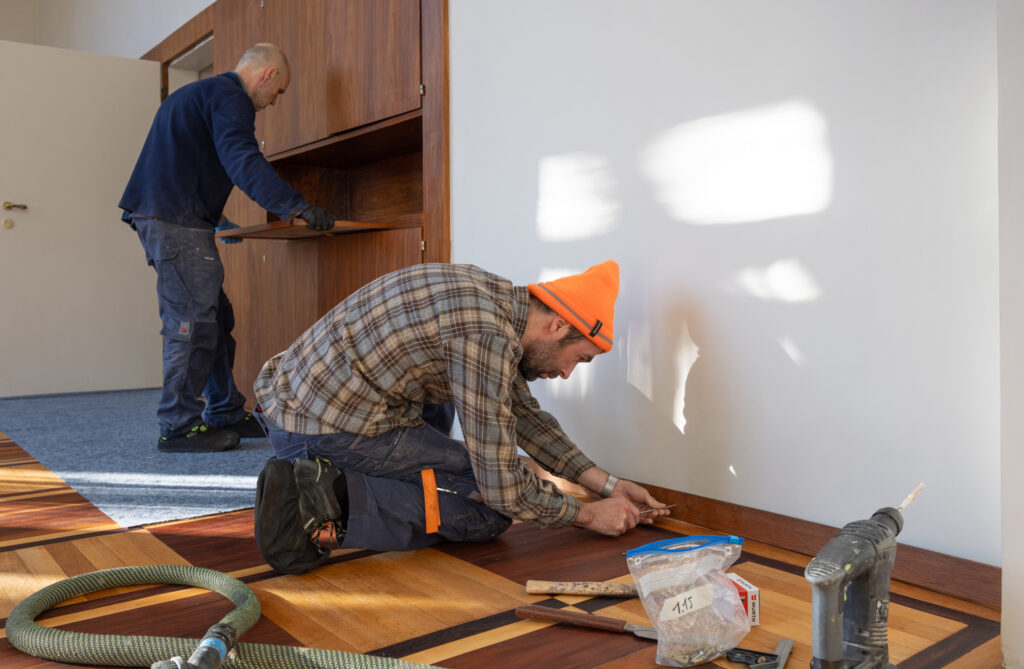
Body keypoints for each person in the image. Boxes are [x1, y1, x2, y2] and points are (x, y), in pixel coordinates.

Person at [250, 260, 671, 574]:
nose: (565, 373)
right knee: (488, 509)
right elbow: (504, 490)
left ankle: (336, 481)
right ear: (559, 326)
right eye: (578, 359)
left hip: (295, 404)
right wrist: (587, 515)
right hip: (318, 429)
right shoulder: (485, 337)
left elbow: (523, 414)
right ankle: (315, 507)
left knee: (515, 473)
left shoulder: (489, 296)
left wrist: (606, 483)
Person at [119, 43, 337, 453]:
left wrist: (219, 221)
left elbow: (184, 163)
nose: (274, 102)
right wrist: (297, 207)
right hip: (174, 221)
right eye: (280, 91)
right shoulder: (230, 97)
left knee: (216, 318)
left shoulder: (207, 95)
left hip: (174, 215)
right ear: (268, 74)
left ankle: (223, 411)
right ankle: (178, 426)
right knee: (194, 323)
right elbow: (243, 159)